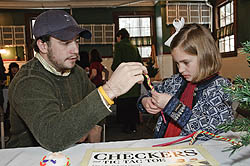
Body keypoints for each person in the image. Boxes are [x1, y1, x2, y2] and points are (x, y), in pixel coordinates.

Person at [6, 10, 147, 152]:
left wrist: (94, 129)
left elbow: (95, 103)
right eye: (66, 42)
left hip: (72, 153)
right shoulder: (28, 81)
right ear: (43, 45)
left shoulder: (76, 72)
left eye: (76, 41)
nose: (75, 50)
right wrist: (110, 90)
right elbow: (52, 137)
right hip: (30, 158)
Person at [137, 23, 234, 140]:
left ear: (205, 57)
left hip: (196, 153)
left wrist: (172, 106)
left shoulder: (220, 87)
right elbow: (150, 92)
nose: (180, 69)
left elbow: (211, 131)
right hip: (166, 148)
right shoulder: (176, 81)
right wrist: (145, 101)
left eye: (186, 62)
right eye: (177, 63)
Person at [111, 28, 143, 134]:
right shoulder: (134, 47)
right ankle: (133, 127)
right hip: (134, 81)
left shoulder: (119, 46)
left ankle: (125, 127)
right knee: (133, 105)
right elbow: (140, 62)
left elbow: (116, 64)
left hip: (124, 81)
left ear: (120, 37)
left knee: (124, 105)